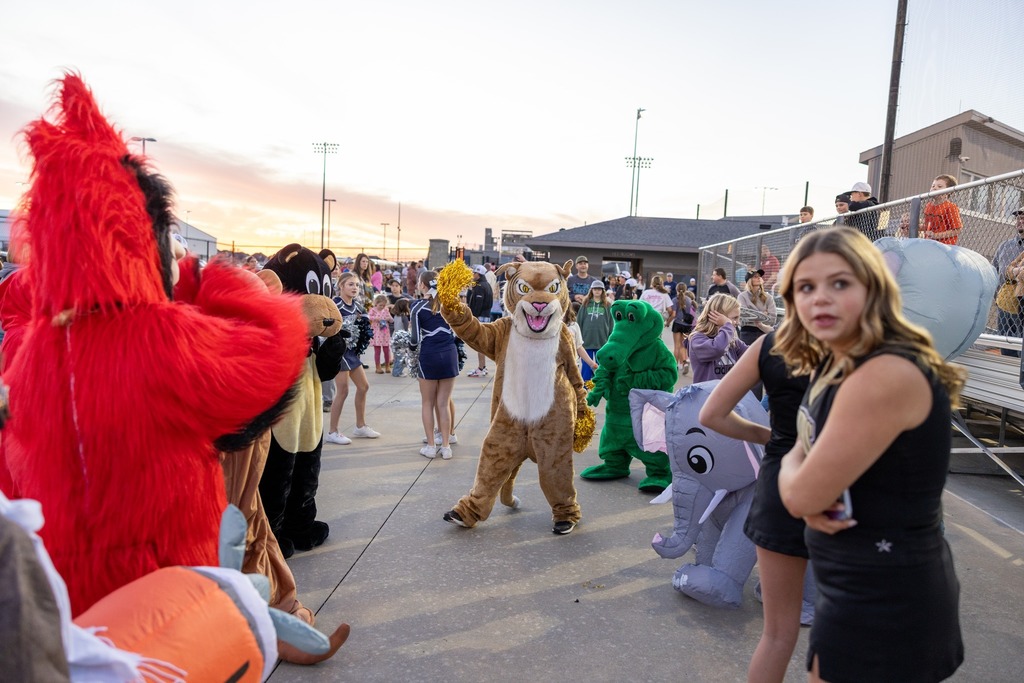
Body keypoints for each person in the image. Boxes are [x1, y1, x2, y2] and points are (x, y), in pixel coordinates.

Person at [775, 227, 965, 682]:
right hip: (852, 581)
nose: (820, 298)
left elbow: (800, 494)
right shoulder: (839, 362)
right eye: (807, 287)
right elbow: (805, 461)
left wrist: (792, 468)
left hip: (886, 597)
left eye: (840, 283)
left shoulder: (883, 374)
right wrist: (801, 470)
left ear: (874, 289)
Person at [699, 329, 814, 683]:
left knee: (777, 635)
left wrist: (772, 437)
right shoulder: (865, 343)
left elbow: (712, 414)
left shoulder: (771, 343)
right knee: (838, 630)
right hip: (849, 492)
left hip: (780, 484)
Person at [326, 272, 381, 445]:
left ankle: (360, 426)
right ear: (340, 286)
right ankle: (332, 431)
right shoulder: (335, 304)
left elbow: (365, 325)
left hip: (351, 352)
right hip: (338, 352)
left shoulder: (357, 306)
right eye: (350, 284)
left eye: (357, 285)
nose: (354, 288)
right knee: (343, 391)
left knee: (363, 386)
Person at [411, 270, 458, 459]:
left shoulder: (417, 307)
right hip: (449, 354)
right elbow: (458, 332)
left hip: (429, 355)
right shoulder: (450, 304)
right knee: (443, 403)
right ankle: (446, 446)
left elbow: (414, 339)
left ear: (423, 286)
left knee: (427, 403)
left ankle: (431, 446)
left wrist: (410, 348)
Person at [688, 293, 748, 382]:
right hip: (708, 394)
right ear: (717, 316)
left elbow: (750, 353)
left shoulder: (731, 339)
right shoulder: (697, 339)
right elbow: (718, 348)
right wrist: (728, 325)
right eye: (734, 318)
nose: (737, 322)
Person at [992, 208, 1024, 356]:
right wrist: (997, 299)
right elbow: (993, 272)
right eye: (1018, 216)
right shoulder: (1005, 246)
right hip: (1005, 304)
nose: (1020, 219)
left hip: (1022, 304)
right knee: (1006, 348)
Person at [578, 280, 613, 382]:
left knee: (601, 367)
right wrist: (578, 338)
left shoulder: (607, 305)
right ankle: (587, 387)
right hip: (586, 340)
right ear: (591, 290)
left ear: (603, 291)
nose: (597, 291)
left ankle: (599, 386)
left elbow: (611, 323)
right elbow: (579, 321)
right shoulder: (585, 304)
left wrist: (610, 338)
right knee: (586, 367)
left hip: (602, 341)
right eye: (595, 289)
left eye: (599, 289)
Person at [466, 265, 493, 378]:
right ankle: (483, 367)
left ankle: (481, 368)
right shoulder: (485, 285)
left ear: (479, 275)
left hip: (480, 317)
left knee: (479, 343)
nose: (472, 275)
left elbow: (478, 304)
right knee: (481, 343)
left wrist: (473, 317)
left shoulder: (480, 287)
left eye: (474, 273)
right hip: (485, 316)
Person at [737, 269, 776, 347]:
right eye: (755, 277)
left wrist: (752, 315)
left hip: (764, 333)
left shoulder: (768, 297)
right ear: (749, 280)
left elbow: (772, 320)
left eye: (759, 277)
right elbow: (743, 317)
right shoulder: (742, 296)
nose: (759, 278)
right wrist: (763, 315)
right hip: (747, 333)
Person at [921, 175, 963, 245]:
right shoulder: (928, 206)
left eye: (939, 186)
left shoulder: (950, 207)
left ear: (949, 191)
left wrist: (936, 235)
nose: (934, 188)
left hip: (944, 246)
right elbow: (927, 226)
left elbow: (957, 230)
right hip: (929, 244)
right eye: (933, 186)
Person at [669, 284, 695, 374]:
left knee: (676, 346)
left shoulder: (674, 299)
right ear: (686, 289)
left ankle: (675, 366)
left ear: (676, 289)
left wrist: (668, 322)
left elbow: (673, 314)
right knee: (683, 345)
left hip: (677, 324)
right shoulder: (689, 300)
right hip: (687, 325)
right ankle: (685, 363)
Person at [566, 302, 597, 375]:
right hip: (557, 366)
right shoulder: (552, 325)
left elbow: (579, 347)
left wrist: (592, 363)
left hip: (573, 365)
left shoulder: (574, 325)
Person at [367, 293, 394, 374]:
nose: (382, 307)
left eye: (384, 305)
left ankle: (387, 365)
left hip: (385, 332)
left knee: (386, 350)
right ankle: (378, 367)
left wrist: (389, 318)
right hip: (376, 332)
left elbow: (391, 320)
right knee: (377, 350)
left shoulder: (386, 310)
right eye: (380, 305)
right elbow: (369, 317)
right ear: (376, 303)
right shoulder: (373, 310)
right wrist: (376, 318)